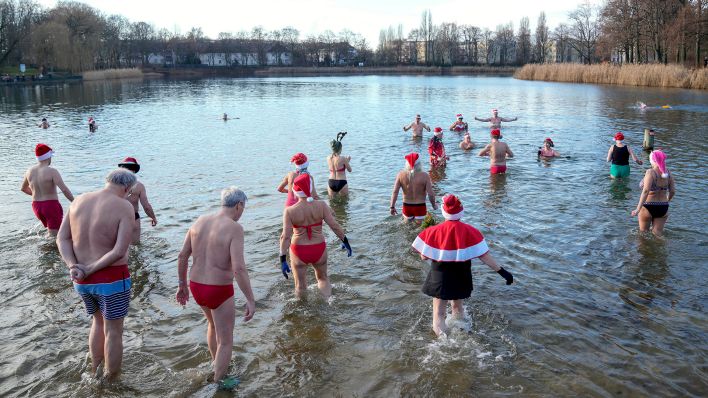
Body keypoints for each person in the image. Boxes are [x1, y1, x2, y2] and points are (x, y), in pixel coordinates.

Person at [56, 169, 137, 380]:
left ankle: (95, 370)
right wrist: (90, 269)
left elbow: (62, 239)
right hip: (111, 279)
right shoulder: (124, 206)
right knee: (114, 331)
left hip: (81, 281)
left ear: (107, 181)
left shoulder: (78, 201)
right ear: (127, 188)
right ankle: (112, 380)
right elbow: (119, 251)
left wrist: (74, 266)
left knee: (97, 322)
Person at [175, 187, 256, 385]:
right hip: (218, 289)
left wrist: (181, 285)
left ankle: (216, 364)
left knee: (213, 324)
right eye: (243, 207)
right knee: (226, 340)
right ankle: (219, 382)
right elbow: (238, 268)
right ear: (239, 206)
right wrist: (250, 299)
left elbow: (182, 255)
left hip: (196, 286)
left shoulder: (200, 220)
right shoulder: (234, 228)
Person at [411, 194, 513, 336]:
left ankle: (443, 342)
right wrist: (503, 272)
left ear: (443, 211)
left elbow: (423, 257)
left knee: (439, 314)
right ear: (461, 211)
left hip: (440, 276)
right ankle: (461, 332)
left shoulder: (432, 231)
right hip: (461, 274)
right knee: (458, 308)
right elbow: (484, 256)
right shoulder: (472, 231)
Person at [279, 173, 352, 298]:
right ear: (311, 188)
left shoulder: (290, 211)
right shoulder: (321, 205)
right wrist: (345, 241)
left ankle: (303, 312)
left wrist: (282, 259)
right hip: (318, 248)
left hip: (299, 250)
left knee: (300, 286)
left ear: (295, 191)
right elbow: (334, 225)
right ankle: (328, 303)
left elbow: (285, 236)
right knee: (323, 279)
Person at [21, 143, 74, 236]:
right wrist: (74, 201)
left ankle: (44, 248)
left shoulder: (29, 171)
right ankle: (50, 249)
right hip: (50, 206)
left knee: (51, 231)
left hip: (36, 206)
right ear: (48, 157)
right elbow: (64, 189)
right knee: (56, 236)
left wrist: (36, 194)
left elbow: (23, 188)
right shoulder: (52, 171)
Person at [631, 150, 675, 236]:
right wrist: (667, 200)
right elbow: (672, 191)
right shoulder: (668, 173)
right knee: (658, 234)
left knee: (643, 234)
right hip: (663, 206)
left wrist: (638, 209)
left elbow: (646, 191)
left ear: (653, 160)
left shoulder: (650, 172)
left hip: (648, 205)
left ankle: (645, 249)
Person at [118, 157, 158, 244]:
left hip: (116, 218)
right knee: (135, 246)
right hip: (133, 217)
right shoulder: (139, 186)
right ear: (135, 170)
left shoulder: (113, 185)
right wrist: (153, 217)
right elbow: (146, 206)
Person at [390, 153, 437, 223]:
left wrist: (392, 207)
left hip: (406, 206)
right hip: (420, 206)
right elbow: (430, 194)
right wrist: (434, 205)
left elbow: (395, 192)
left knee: (407, 230)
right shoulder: (425, 176)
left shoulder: (400, 175)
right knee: (420, 230)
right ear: (419, 164)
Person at [327, 132, 352, 196]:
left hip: (331, 182)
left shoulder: (328, 158)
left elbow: (335, 168)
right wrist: (347, 161)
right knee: (344, 203)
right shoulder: (343, 158)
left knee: (331, 203)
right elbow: (350, 170)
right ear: (340, 149)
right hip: (341, 182)